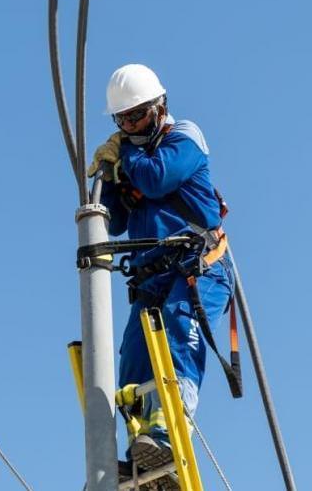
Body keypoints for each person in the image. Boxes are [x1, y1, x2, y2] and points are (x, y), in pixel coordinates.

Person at [88, 64, 235, 482]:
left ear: (160, 107)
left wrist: (125, 154)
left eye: (139, 116)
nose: (132, 126)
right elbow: (114, 222)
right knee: (132, 361)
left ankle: (170, 432)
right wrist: (108, 179)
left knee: (177, 328)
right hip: (152, 278)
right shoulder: (131, 159)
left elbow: (156, 180)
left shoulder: (185, 137)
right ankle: (143, 452)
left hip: (199, 269)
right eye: (123, 120)